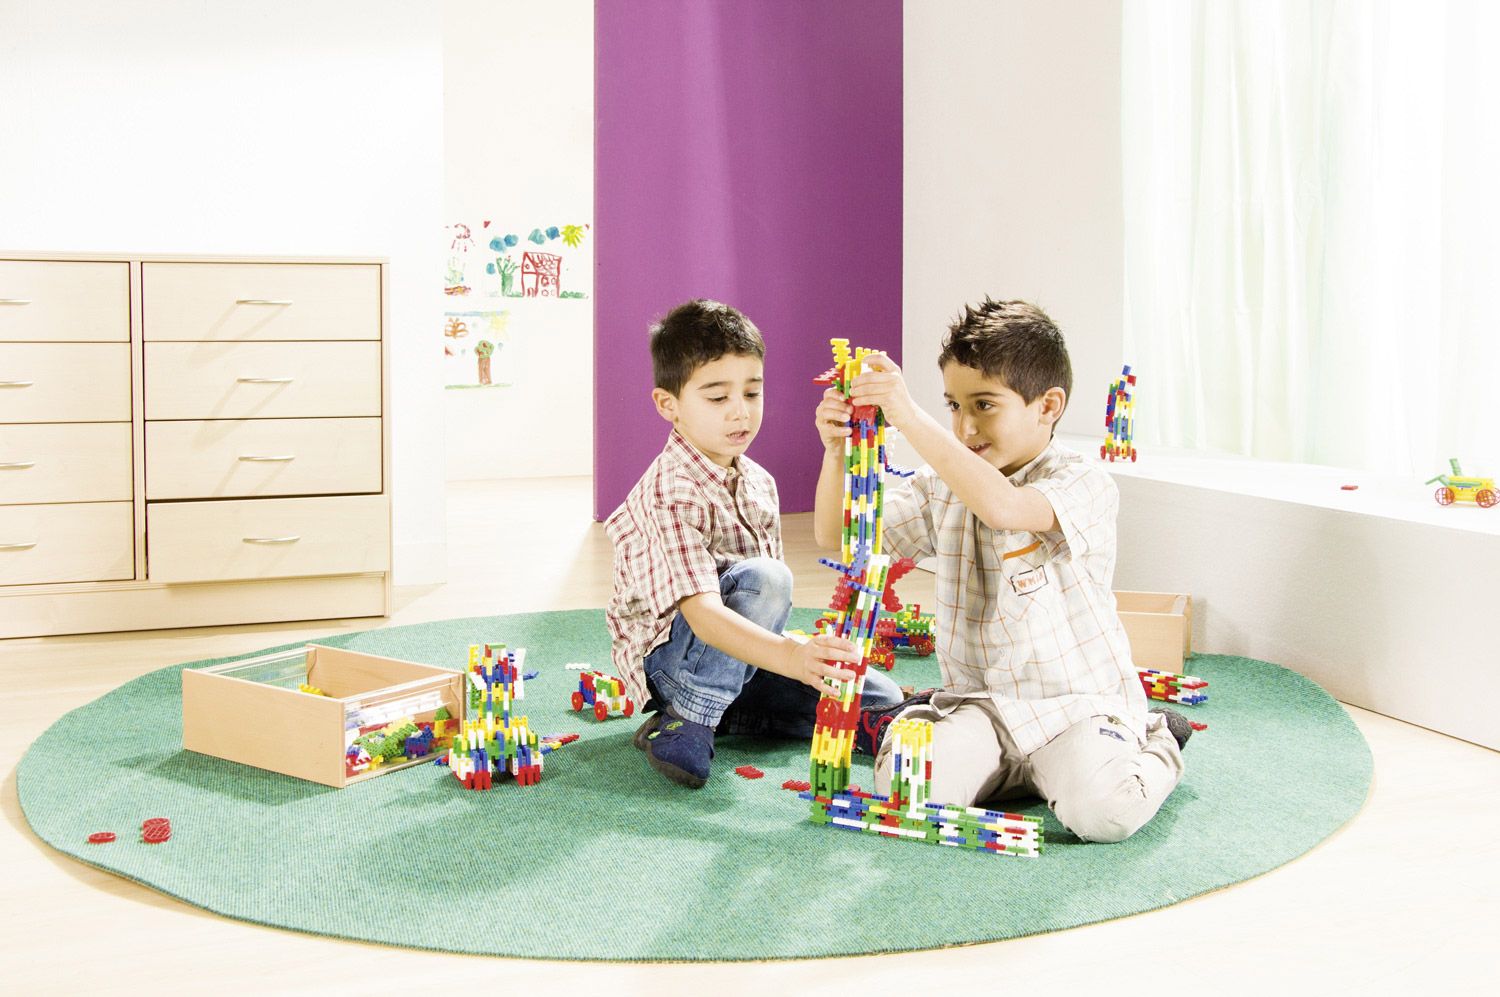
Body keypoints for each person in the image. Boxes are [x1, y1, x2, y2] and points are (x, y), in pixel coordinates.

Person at [812, 298, 1188, 842]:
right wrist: (835, 452)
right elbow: (841, 538)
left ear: (1048, 405)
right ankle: (1014, 771)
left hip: (1075, 708)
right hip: (983, 710)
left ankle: (1159, 738)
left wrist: (907, 415)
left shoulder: (1083, 482)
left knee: (1105, 814)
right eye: (953, 405)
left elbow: (1004, 508)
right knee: (905, 788)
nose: (965, 426)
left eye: (985, 404)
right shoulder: (941, 485)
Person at [606, 299, 902, 788]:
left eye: (752, 392)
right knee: (767, 578)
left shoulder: (759, 483)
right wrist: (791, 659)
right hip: (674, 666)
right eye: (717, 398)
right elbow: (706, 615)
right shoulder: (668, 491)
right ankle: (688, 717)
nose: (740, 412)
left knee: (875, 695)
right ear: (668, 404)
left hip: (740, 657)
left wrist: (803, 659)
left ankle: (734, 713)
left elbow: (772, 612)